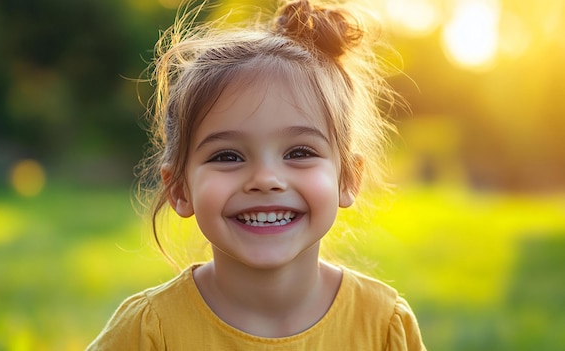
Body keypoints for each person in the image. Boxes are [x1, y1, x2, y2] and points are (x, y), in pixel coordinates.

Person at [87, 0, 426, 349]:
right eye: (228, 156)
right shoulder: (149, 331)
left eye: (299, 152)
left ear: (348, 179)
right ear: (179, 190)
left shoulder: (384, 325)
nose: (265, 179)